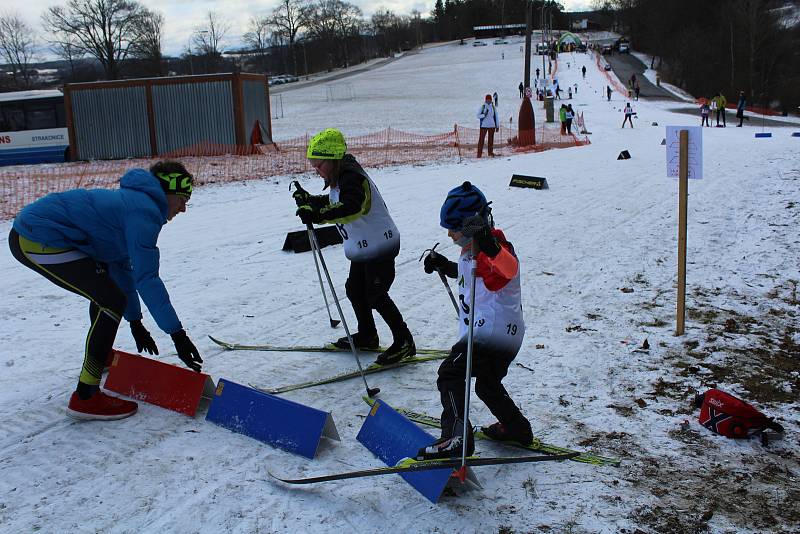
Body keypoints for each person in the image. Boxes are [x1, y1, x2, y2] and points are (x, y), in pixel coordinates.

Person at [8, 161, 203, 420]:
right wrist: (177, 334)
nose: (184, 208)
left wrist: (136, 321)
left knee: (107, 294)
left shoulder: (135, 203)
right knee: (109, 300)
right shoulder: (144, 212)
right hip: (37, 237)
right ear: (168, 193)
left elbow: (121, 268)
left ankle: (99, 356)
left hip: (36, 232)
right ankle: (86, 396)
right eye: (182, 199)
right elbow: (147, 278)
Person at [417, 182, 532, 460]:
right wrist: (446, 266)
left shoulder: (496, 248)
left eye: (454, 228)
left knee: (450, 373)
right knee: (487, 385)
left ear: (471, 226)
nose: (449, 234)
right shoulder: (474, 250)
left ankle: (457, 437)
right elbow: (476, 273)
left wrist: (490, 245)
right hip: (506, 335)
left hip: (490, 336)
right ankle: (517, 429)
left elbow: (508, 268)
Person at [293, 129, 415, 365]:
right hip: (363, 247)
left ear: (333, 159)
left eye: (319, 165)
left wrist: (317, 215)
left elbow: (352, 207)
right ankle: (368, 335)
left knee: (375, 294)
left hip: (381, 244)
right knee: (354, 289)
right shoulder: (340, 177)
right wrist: (310, 201)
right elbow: (334, 203)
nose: (316, 170)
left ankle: (405, 341)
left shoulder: (352, 177)